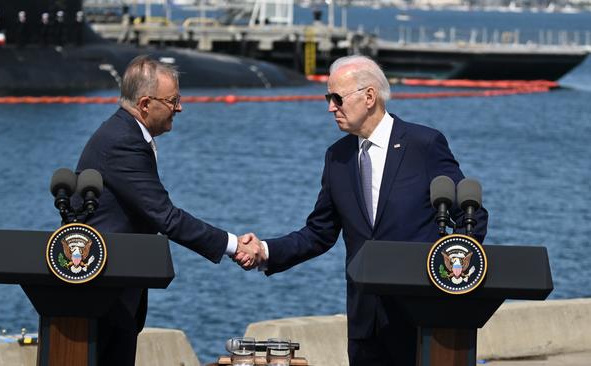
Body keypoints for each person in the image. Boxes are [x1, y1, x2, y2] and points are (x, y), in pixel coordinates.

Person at [235, 55, 488, 366]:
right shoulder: (337, 157)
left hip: (422, 318)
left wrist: (451, 277)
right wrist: (264, 251)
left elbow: (470, 216)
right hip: (365, 324)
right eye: (328, 98)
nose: (330, 107)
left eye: (337, 98)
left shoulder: (424, 144)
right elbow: (319, 232)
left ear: (369, 97)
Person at [75, 55, 263, 366]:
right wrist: (233, 245)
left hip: (114, 289)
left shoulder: (125, 133)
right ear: (146, 104)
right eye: (173, 100)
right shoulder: (124, 141)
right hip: (105, 292)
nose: (180, 108)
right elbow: (164, 216)